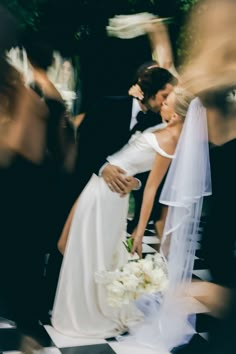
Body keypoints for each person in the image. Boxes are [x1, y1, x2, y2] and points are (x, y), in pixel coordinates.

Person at [51, 86, 190, 338]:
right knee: (71, 245)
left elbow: (152, 187)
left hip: (110, 195)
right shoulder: (160, 127)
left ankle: (87, 311)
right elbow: (133, 165)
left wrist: (139, 232)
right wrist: (131, 180)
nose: (162, 105)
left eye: (167, 102)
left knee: (91, 251)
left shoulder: (171, 138)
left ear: (177, 114)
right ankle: (80, 305)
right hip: (101, 186)